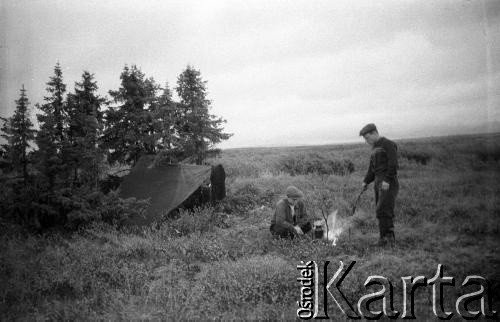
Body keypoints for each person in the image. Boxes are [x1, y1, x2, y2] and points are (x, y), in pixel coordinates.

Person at [359, 123, 399, 247]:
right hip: (377, 181)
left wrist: (387, 180)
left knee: (385, 209)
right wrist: (366, 181)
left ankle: (389, 239)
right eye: (365, 139)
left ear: (374, 133)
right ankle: (383, 238)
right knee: (379, 210)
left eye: (367, 138)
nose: (367, 141)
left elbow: (393, 164)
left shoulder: (388, 144)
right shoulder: (374, 148)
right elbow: (372, 169)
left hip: (388, 182)